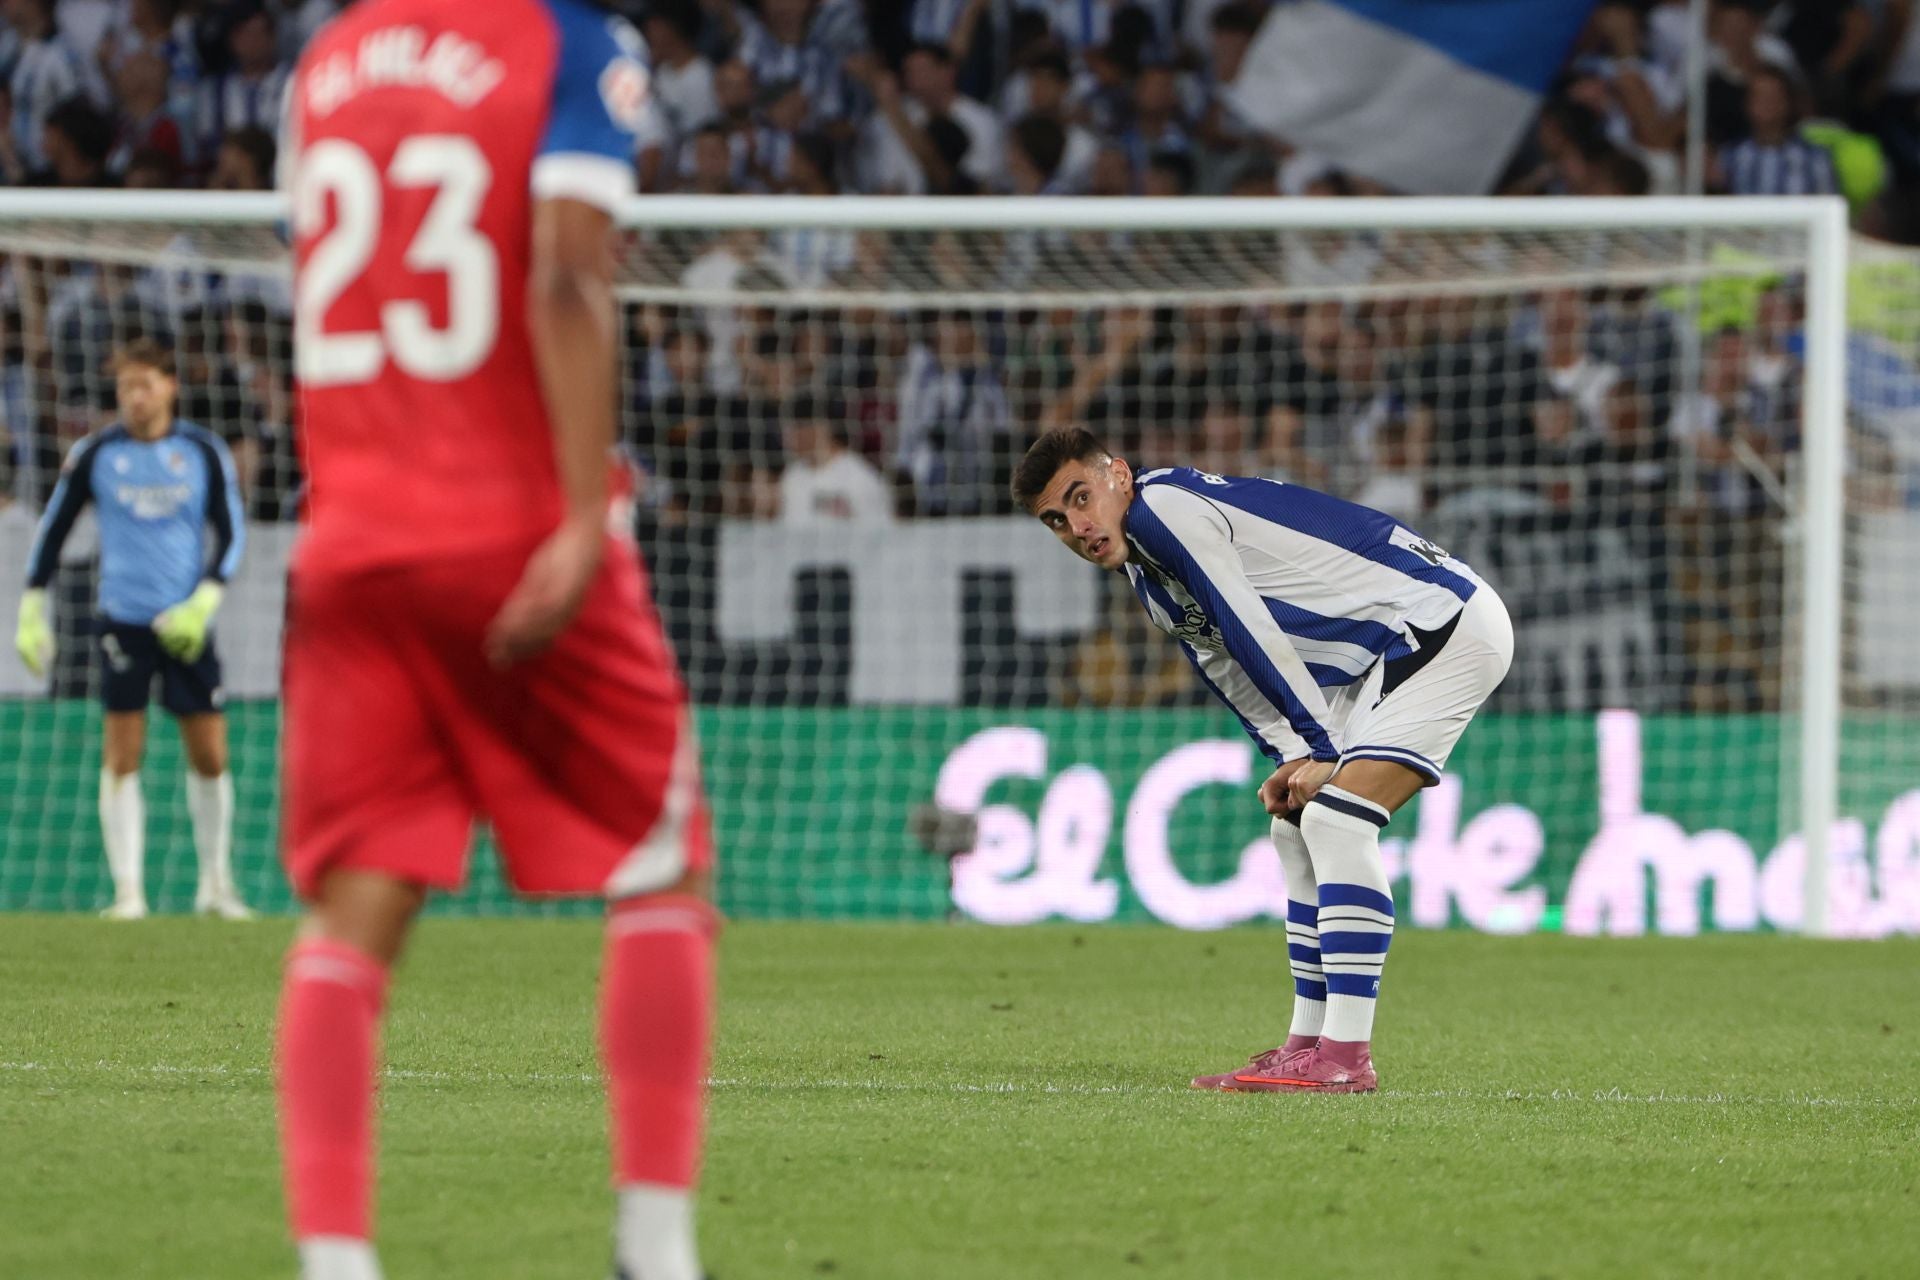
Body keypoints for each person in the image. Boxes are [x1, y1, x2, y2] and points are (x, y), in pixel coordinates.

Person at [277, 2, 715, 1279]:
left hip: (353, 541)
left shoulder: (329, 60)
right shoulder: (568, 43)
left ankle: (336, 1258)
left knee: (354, 911)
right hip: (516, 522)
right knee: (660, 870)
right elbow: (569, 266)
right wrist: (583, 515)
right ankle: (655, 1247)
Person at [1011, 427, 1513, 1093]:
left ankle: (1345, 1057)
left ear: (1119, 477)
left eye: (1080, 497)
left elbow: (1247, 621)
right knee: (1299, 823)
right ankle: (1306, 1042)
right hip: (1391, 648)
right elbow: (1227, 668)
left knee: (1338, 820)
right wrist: (1293, 754)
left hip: (1440, 622)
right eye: (1056, 521)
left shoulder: (1163, 510)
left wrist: (1324, 750)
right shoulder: (1151, 581)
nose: (1077, 526)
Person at [13, 338, 249, 921]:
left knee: (211, 755)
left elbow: (233, 530)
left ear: (170, 385)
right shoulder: (97, 453)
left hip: (186, 624)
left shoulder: (202, 451)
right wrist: (31, 603)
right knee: (122, 754)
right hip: (121, 619)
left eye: (144, 385)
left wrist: (206, 600)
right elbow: (54, 527)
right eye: (124, 388)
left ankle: (216, 885)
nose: (134, 398)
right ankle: (129, 893)